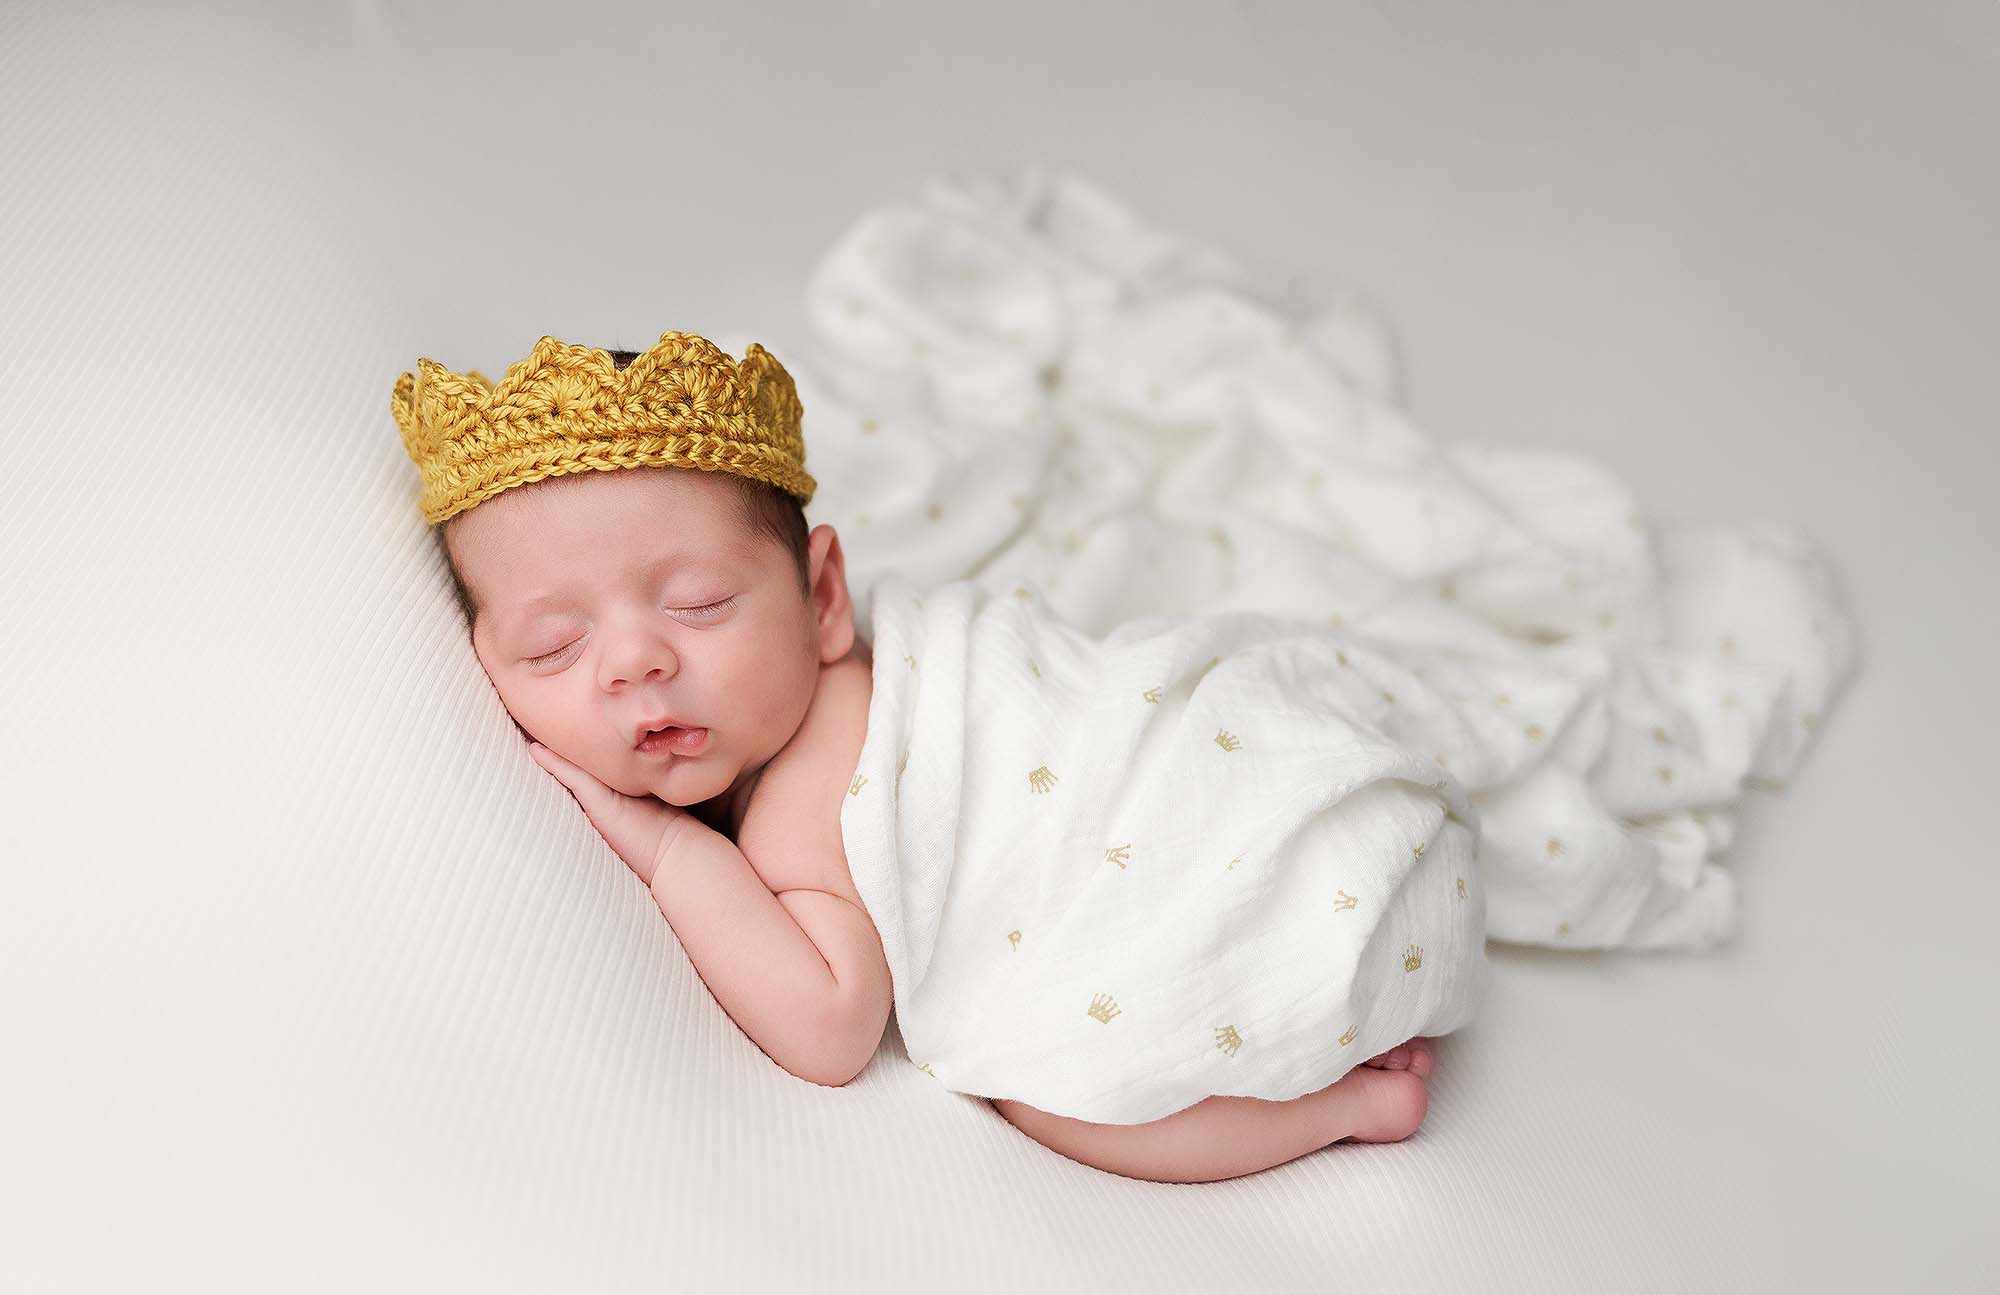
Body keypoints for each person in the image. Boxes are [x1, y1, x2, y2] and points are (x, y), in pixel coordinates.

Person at [393, 330, 1444, 1184]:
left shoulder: (811, 780)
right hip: (1315, 792)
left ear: (821, 599)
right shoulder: (777, 713)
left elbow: (829, 1023)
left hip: (1298, 883)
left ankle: (1349, 1101)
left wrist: (667, 848)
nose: (633, 661)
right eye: (553, 646)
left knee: (1046, 1080)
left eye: (698, 603)